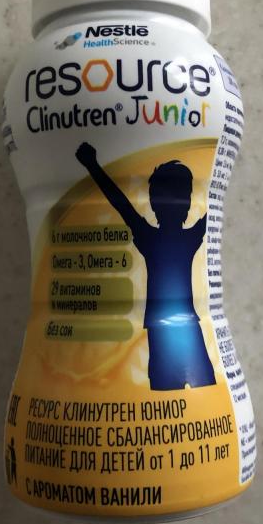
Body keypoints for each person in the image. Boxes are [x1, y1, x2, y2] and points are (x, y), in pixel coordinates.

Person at [75, 142, 216, 390]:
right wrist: (92, 165)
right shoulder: (182, 237)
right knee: (190, 389)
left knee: (184, 391)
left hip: (169, 329)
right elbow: (120, 202)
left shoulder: (154, 237)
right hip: (178, 329)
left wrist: (92, 164)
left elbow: (122, 204)